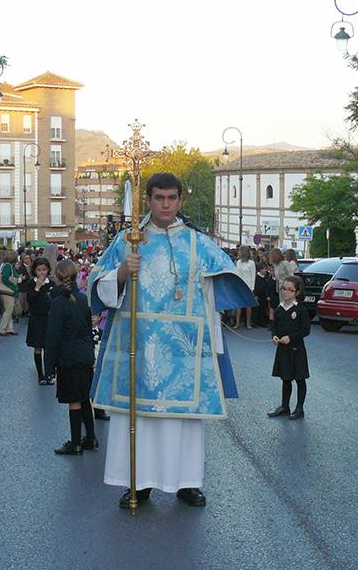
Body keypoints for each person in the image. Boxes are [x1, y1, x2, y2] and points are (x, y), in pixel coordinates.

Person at [88, 172, 256, 509]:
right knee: (141, 419)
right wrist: (122, 271)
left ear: (180, 200)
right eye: (159, 198)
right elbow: (96, 282)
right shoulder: (128, 240)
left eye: (172, 198)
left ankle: (187, 483)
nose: (166, 204)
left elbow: (223, 284)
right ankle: (139, 482)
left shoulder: (198, 243)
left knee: (184, 422)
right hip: (139, 346)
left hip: (185, 351)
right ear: (148, 200)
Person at [45, 259, 98, 455]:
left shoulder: (58, 302)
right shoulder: (83, 299)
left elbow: (53, 337)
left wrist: (48, 367)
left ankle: (75, 442)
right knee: (84, 398)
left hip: (68, 357)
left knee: (74, 400)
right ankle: (90, 438)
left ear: (57, 277)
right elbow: (87, 327)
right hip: (84, 355)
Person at [268, 276, 311, 420]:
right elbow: (274, 325)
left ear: (297, 293)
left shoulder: (300, 309)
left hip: (296, 349)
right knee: (285, 378)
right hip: (283, 349)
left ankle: (299, 408)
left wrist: (290, 338)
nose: (285, 292)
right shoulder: (280, 308)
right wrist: (274, 336)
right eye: (283, 289)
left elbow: (306, 330)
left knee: (299, 378)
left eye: (290, 290)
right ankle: (284, 406)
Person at [25, 257, 54, 384]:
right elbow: (30, 301)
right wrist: (37, 288)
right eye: (39, 270)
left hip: (49, 318)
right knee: (38, 347)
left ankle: (49, 374)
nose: (42, 273)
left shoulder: (51, 284)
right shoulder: (31, 284)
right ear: (34, 270)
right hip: (37, 318)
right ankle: (40, 375)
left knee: (49, 348)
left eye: (44, 270)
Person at [0, 250, 19, 336]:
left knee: (8, 310)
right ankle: (1, 329)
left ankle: (9, 328)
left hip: (5, 292)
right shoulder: (8, 266)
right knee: (8, 311)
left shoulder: (6, 265)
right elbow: (5, 278)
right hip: (8, 291)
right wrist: (13, 286)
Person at [233, 245, 256, 329]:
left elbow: (253, 276)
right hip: (239, 285)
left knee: (248, 305)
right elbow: (236, 274)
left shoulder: (251, 263)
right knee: (238, 305)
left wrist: (252, 288)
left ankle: (248, 323)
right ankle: (237, 323)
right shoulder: (238, 262)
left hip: (248, 286)